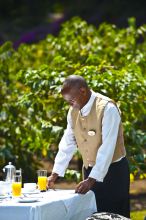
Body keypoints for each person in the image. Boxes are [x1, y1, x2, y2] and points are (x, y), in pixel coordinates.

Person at [47, 75, 130, 218]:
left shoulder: (107, 108)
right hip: (89, 172)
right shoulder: (73, 111)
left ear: (83, 91)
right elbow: (68, 143)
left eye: (71, 100)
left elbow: (107, 149)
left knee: (114, 215)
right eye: (67, 101)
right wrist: (55, 174)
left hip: (113, 173)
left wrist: (92, 180)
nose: (69, 105)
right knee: (92, 215)